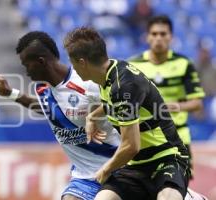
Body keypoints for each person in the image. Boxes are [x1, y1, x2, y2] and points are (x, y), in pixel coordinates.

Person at [0, 31, 121, 200]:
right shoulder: (45, 92)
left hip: (117, 170)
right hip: (84, 178)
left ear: (41, 62)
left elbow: (122, 105)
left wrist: (94, 116)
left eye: (26, 65)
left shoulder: (87, 82)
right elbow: (46, 108)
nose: (26, 72)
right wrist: (10, 93)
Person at [63, 27, 190, 200]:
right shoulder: (108, 73)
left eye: (73, 62)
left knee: (168, 198)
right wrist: (93, 116)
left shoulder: (124, 86)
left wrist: (106, 169)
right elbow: (114, 103)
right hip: (136, 166)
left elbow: (131, 146)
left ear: (82, 62)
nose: (73, 68)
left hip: (167, 158)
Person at [129, 15, 205, 178]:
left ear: (171, 37)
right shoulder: (134, 65)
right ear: (147, 37)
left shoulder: (184, 64)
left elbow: (197, 103)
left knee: (177, 186)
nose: (158, 38)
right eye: (154, 34)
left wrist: (171, 106)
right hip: (146, 137)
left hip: (178, 137)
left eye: (163, 34)